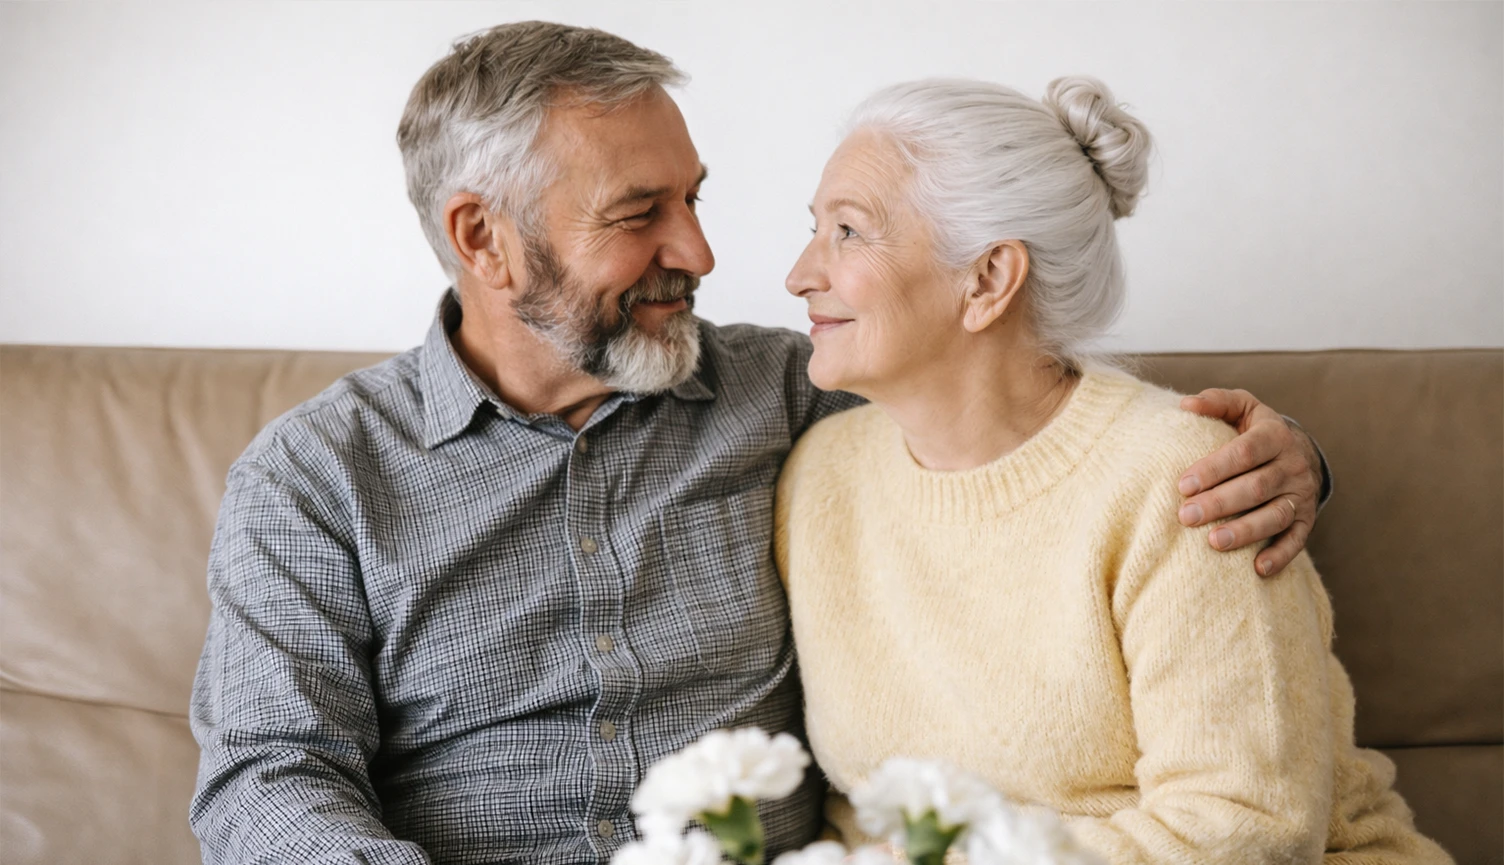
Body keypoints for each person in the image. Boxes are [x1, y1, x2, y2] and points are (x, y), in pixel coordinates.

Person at [189, 23, 1331, 865]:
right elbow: (267, 779)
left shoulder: (788, 396)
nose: (703, 249)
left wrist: (1290, 461)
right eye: (641, 214)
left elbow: (1019, 420)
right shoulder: (316, 479)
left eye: (694, 198)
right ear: (483, 238)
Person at [775, 77, 1449, 863]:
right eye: (815, 229)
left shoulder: (1187, 478)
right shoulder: (820, 474)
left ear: (988, 279)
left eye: (849, 232)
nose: (798, 273)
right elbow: (855, 815)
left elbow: (1245, 825)